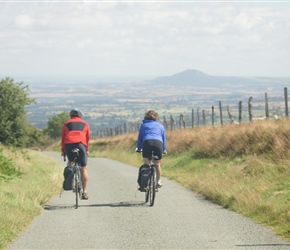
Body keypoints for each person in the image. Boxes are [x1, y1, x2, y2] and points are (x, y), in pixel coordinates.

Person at [61, 108, 90, 200]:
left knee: (70, 161)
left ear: (71, 116)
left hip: (69, 144)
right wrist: (87, 149)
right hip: (81, 144)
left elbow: (63, 138)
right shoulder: (85, 124)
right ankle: (84, 192)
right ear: (80, 115)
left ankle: (69, 178)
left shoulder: (66, 123)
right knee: (84, 168)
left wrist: (63, 150)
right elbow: (87, 138)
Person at [136, 109, 167, 188]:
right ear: (156, 118)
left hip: (147, 142)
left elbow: (140, 138)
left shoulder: (143, 125)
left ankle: (145, 183)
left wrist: (139, 148)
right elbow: (163, 139)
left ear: (146, 117)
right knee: (157, 164)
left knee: (146, 164)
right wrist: (164, 149)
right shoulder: (160, 126)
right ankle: (158, 181)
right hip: (158, 143)